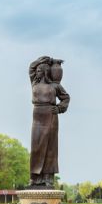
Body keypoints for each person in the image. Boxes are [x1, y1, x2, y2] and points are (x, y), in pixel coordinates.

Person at [28, 56, 70, 187]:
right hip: (37, 117)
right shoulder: (34, 83)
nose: (37, 73)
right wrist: (46, 59)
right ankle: (35, 177)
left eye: (41, 71)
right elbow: (31, 67)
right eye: (38, 71)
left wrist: (59, 108)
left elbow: (66, 98)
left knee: (50, 148)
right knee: (36, 147)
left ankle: (47, 178)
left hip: (51, 116)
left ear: (46, 72)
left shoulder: (55, 86)